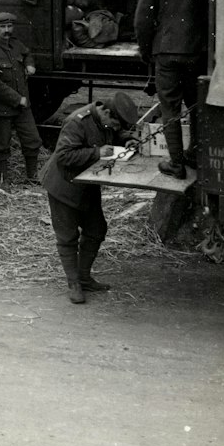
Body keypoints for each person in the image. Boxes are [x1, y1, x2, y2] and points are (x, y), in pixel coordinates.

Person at [40, 92, 139, 303]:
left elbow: (114, 133)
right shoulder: (76, 122)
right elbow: (64, 156)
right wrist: (97, 153)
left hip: (87, 184)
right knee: (67, 237)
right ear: (105, 111)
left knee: (96, 229)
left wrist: (128, 139)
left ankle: (84, 277)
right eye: (114, 123)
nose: (114, 128)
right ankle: (74, 283)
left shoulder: (104, 119)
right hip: (64, 185)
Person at [134, 0, 213, 177]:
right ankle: (195, 156)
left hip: (165, 52)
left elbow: (142, 21)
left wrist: (147, 53)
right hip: (197, 52)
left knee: (170, 107)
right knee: (197, 105)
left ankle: (176, 163)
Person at [0, 12, 42, 186]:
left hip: (22, 106)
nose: (7, 30)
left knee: (32, 140)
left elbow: (27, 53)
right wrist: (17, 99)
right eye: (3, 27)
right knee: (2, 144)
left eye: (9, 26)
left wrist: (30, 64)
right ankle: (3, 180)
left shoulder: (16, 44)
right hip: (2, 108)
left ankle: (31, 176)